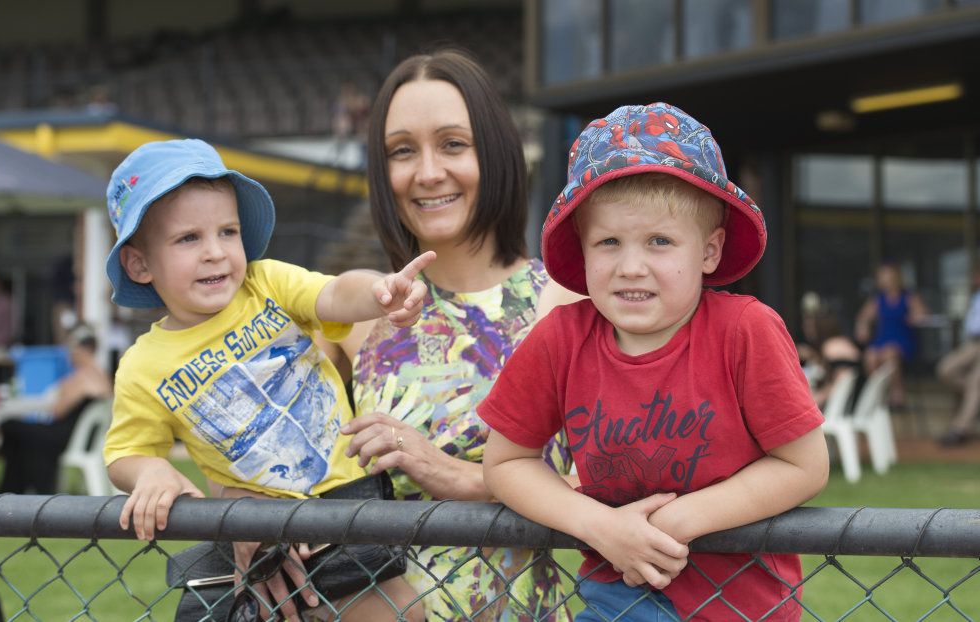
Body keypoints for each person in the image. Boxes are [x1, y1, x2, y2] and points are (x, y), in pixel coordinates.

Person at [479, 103, 830, 621]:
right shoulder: (560, 339)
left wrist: (679, 520)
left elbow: (804, 465)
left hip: (744, 607)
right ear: (582, 249)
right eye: (608, 242)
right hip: (618, 593)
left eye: (660, 242)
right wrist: (600, 526)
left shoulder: (746, 331)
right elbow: (505, 460)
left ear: (709, 252)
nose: (631, 267)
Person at [100, 139, 429, 621]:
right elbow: (125, 451)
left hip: (345, 503)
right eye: (188, 238)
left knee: (399, 614)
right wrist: (149, 472)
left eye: (227, 232)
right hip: (255, 533)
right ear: (140, 264)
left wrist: (378, 293)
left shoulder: (266, 284)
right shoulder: (142, 364)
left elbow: (334, 293)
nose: (216, 253)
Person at [313, 49, 582, 620]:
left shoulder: (569, 303)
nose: (428, 172)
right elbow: (258, 463)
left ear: (498, 153)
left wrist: (452, 474)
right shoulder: (353, 313)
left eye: (453, 144)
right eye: (402, 151)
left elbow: (608, 485)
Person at [0, 323, 112, 494]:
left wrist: (62, 389)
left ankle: (13, 487)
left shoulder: (81, 378)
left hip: (64, 436)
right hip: (82, 438)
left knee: (10, 426)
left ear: (78, 349)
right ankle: (18, 486)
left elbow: (57, 411)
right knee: (21, 438)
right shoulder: (102, 376)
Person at [854, 262, 929, 409]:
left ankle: (897, 393)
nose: (884, 280)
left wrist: (916, 317)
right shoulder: (878, 299)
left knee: (890, 354)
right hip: (882, 338)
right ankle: (879, 394)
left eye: (887, 276)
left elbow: (923, 315)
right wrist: (863, 327)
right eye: (881, 277)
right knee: (870, 356)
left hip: (902, 340)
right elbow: (863, 317)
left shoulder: (908, 297)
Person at [935, 269, 980, 446]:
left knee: (977, 380)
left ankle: (960, 429)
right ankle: (975, 401)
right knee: (945, 369)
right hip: (973, 343)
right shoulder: (976, 296)